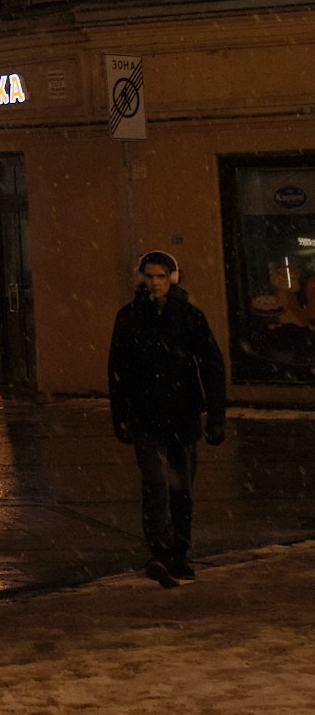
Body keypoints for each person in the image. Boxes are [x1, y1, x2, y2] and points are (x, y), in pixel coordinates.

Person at [108, 248, 228, 587]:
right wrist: (120, 415)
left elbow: (211, 365)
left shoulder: (189, 316)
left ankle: (178, 551)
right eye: (150, 276)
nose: (155, 282)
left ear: (171, 278)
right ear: (142, 279)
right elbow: (118, 369)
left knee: (181, 488)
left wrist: (216, 417)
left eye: (161, 276)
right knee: (156, 483)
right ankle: (160, 551)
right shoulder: (130, 317)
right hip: (148, 415)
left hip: (182, 414)